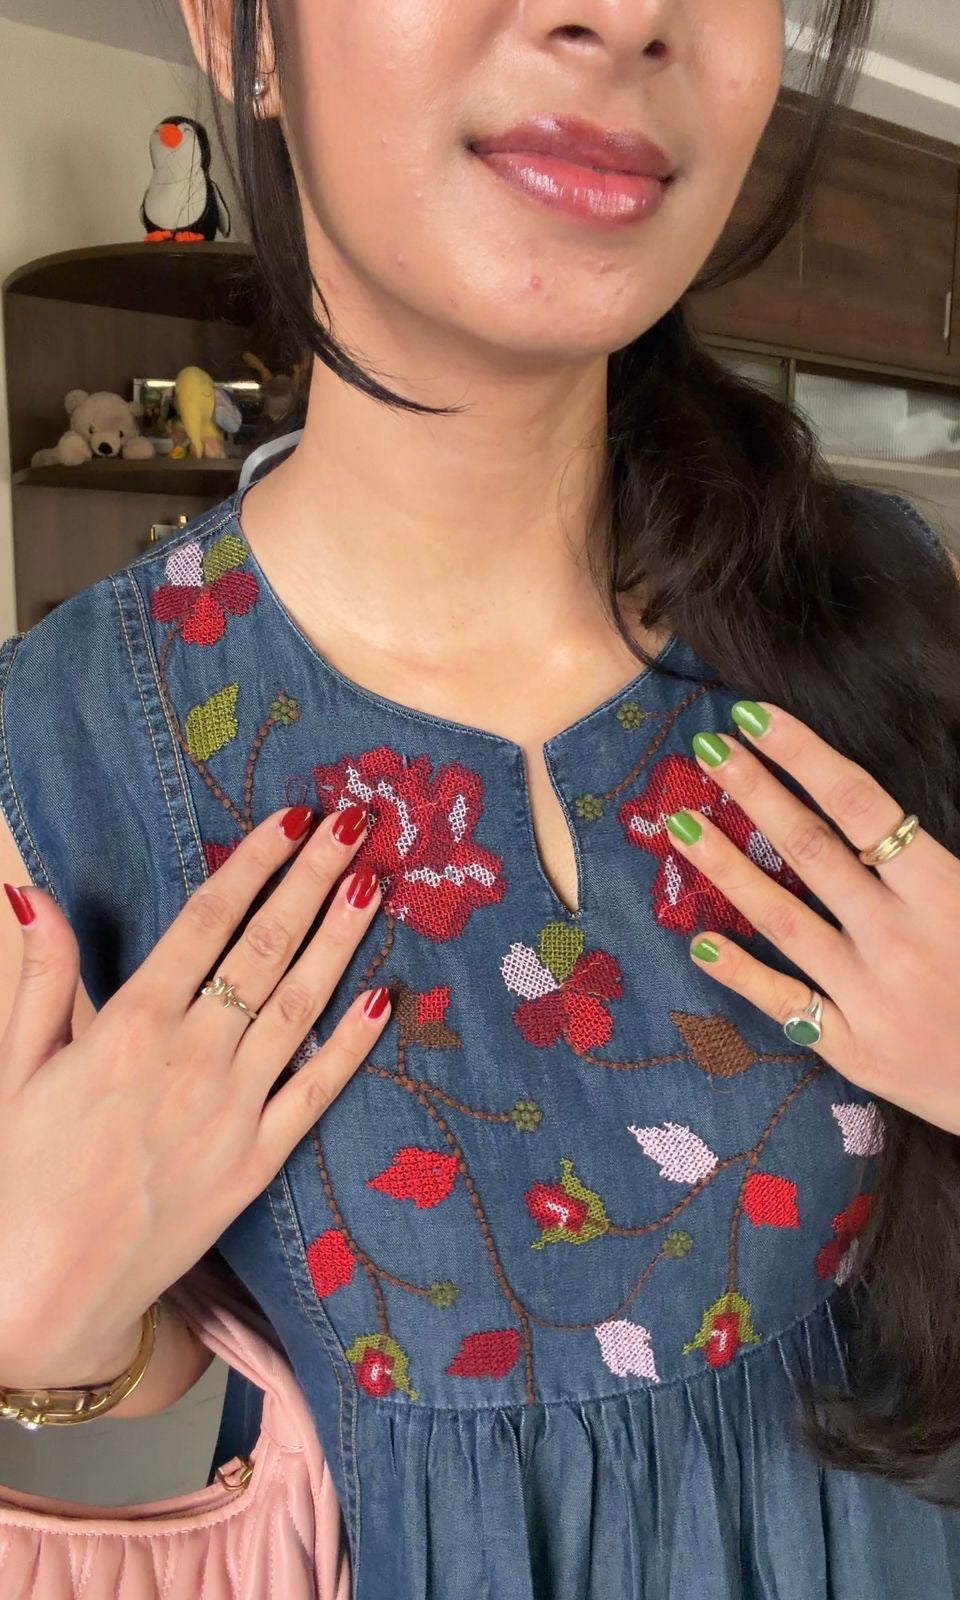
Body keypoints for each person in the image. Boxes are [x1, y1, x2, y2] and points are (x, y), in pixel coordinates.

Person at [1, 0, 959, 1594]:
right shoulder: (60, 750)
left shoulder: (883, 599)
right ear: (238, 33)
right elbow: (192, 1343)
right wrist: (43, 1327)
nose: (628, 10)